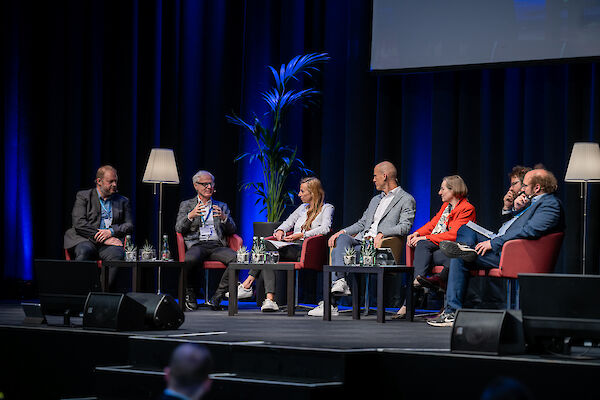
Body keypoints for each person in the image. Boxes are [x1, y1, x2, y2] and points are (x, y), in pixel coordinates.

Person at [428, 169, 565, 327]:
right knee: (466, 230)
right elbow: (514, 226)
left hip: (513, 254)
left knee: (460, 257)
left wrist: (493, 243)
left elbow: (529, 231)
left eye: (525, 185)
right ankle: (464, 248)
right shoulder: (534, 203)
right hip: (504, 245)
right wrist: (511, 209)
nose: (522, 189)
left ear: (537, 188)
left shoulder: (550, 204)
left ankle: (452, 312)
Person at [308, 161, 416, 317]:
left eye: (375, 176)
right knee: (341, 241)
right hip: (363, 244)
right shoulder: (375, 200)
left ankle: (331, 302)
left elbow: (405, 227)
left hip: (381, 248)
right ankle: (340, 283)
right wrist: (342, 231)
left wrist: (382, 233)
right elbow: (362, 223)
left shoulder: (406, 199)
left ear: (384, 176)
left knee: (340, 253)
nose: (373, 179)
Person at [233, 177, 334, 312]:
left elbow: (325, 228)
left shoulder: (327, 208)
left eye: (302, 191)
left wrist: (303, 235)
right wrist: (280, 230)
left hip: (308, 249)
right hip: (291, 246)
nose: (299, 194)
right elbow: (288, 222)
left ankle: (249, 285)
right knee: (265, 247)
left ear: (313, 193)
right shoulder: (302, 208)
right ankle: (268, 299)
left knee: (266, 251)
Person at [397, 175, 475, 318]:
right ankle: (420, 283)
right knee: (422, 245)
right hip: (440, 249)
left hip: (454, 249)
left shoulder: (467, 208)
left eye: (442, 189)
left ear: (454, 190)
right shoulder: (446, 207)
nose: (439, 192)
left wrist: (426, 237)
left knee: (438, 253)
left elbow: (454, 235)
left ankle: (412, 296)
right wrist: (418, 233)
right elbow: (433, 224)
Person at [175, 170, 238, 311]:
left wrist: (224, 218)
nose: (209, 187)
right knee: (189, 261)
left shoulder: (221, 206)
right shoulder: (187, 205)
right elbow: (179, 228)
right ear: (196, 186)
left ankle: (218, 296)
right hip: (197, 244)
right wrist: (190, 216)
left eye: (211, 183)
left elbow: (232, 230)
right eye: (205, 184)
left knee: (237, 259)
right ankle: (190, 293)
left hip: (217, 245)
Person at [63, 165, 133, 290]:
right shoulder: (84, 196)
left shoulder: (123, 201)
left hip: (109, 245)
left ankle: (101, 295)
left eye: (115, 181)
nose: (114, 184)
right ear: (99, 181)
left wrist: (111, 231)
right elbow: (79, 223)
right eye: (110, 181)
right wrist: (104, 238)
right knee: (84, 251)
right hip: (85, 239)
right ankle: (79, 293)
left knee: (118, 254)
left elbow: (129, 225)